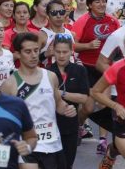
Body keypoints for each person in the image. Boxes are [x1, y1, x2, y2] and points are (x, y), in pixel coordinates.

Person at [0, 32, 77, 168]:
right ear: (18, 54)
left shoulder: (51, 76)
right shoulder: (10, 84)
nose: (34, 55)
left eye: (36, 50)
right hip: (27, 147)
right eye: (28, 51)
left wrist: (67, 109)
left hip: (53, 143)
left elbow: (58, 104)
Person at [91, 25, 125, 168]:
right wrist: (116, 106)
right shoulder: (118, 68)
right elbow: (95, 92)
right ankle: (116, 147)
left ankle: (113, 150)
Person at [47, 35, 89, 169]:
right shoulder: (46, 72)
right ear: (53, 51)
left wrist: (62, 94)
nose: (61, 55)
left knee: (67, 164)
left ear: (71, 51)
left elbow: (84, 98)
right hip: (50, 125)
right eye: (58, 51)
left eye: (64, 52)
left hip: (70, 125)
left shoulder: (79, 70)